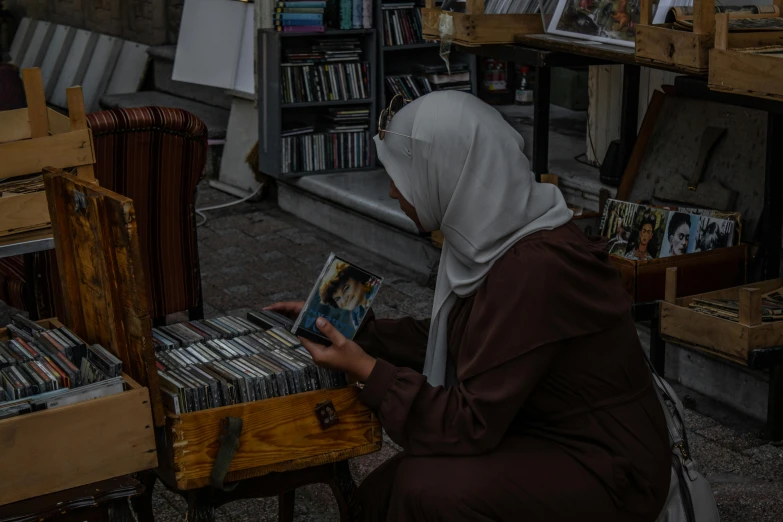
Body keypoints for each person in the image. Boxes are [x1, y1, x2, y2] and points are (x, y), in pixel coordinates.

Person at [267, 91, 670, 522]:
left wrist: (369, 370)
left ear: (447, 173)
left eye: (403, 174)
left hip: (609, 465)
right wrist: (352, 333)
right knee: (380, 495)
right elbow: (469, 339)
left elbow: (470, 422)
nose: (390, 190)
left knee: (424, 492)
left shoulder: (534, 268)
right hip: (540, 429)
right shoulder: (493, 234)